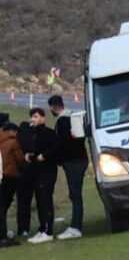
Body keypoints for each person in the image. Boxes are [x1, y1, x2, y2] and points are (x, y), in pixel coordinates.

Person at [48, 94, 87, 239]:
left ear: (53, 107)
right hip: (80, 159)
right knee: (75, 194)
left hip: (72, 161)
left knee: (75, 194)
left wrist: (58, 159)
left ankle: (76, 227)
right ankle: (75, 225)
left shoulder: (62, 121)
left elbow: (61, 144)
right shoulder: (73, 117)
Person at [19, 108, 57, 243]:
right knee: (40, 200)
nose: (32, 119)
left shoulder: (49, 133)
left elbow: (55, 148)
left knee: (46, 200)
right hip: (36, 172)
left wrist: (44, 155)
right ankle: (42, 229)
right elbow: (33, 150)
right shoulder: (33, 133)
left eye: (35, 116)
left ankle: (48, 231)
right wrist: (29, 155)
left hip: (47, 171)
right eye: (32, 117)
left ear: (43, 118)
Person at [0, 123, 23, 247]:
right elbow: (20, 158)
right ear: (12, 131)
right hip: (9, 176)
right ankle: (3, 237)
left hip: (1, 175)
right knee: (3, 207)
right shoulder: (12, 142)